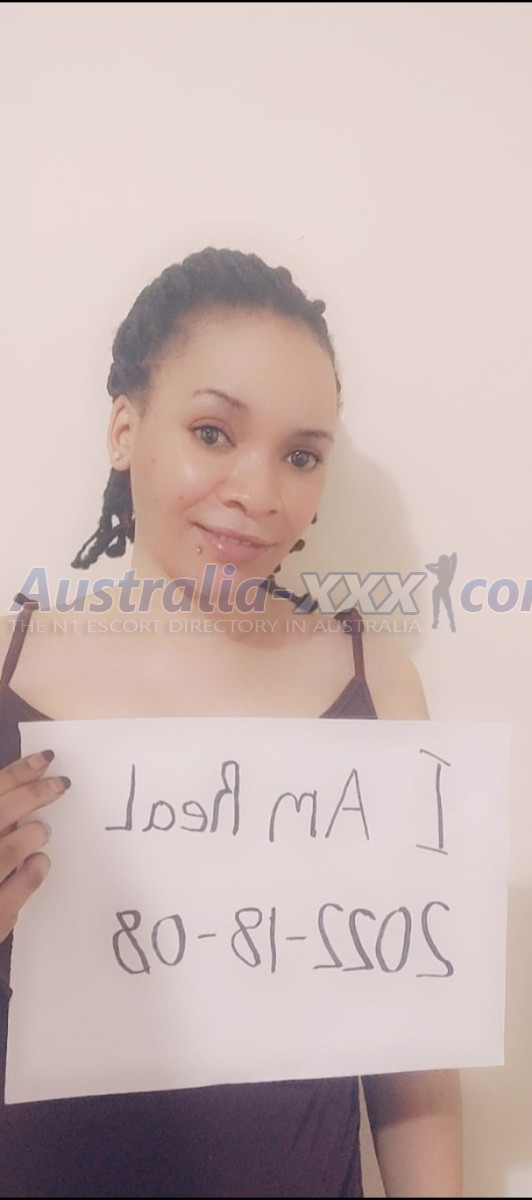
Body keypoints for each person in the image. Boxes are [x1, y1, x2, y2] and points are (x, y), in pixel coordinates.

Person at [0, 248, 462, 1197]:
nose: (259, 493)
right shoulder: (9, 669)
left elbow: (416, 1049)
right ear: (124, 429)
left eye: (301, 455)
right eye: (213, 433)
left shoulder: (377, 686)